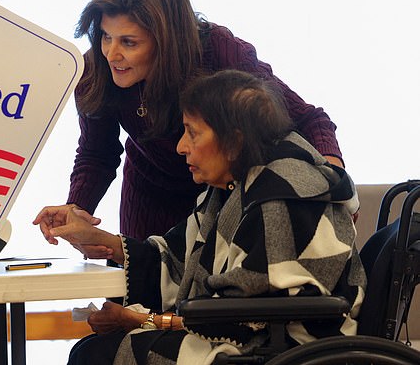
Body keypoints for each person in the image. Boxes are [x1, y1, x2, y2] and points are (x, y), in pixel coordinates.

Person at [34, 70, 366, 365]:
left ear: (234, 142)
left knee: (97, 355)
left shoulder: (282, 196)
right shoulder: (235, 186)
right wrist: (99, 242)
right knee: (96, 349)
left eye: (192, 133)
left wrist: (141, 321)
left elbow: (250, 315)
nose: (181, 147)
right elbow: (178, 256)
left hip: (286, 349)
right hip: (254, 336)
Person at [39, 0, 346, 242]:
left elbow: (308, 120)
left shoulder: (223, 53)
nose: (111, 54)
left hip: (224, 195)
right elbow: (97, 153)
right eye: (106, 37)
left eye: (129, 42)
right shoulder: (94, 70)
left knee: (210, 298)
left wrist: (336, 185)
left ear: (165, 40)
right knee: (140, 291)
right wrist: (76, 208)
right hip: (149, 194)